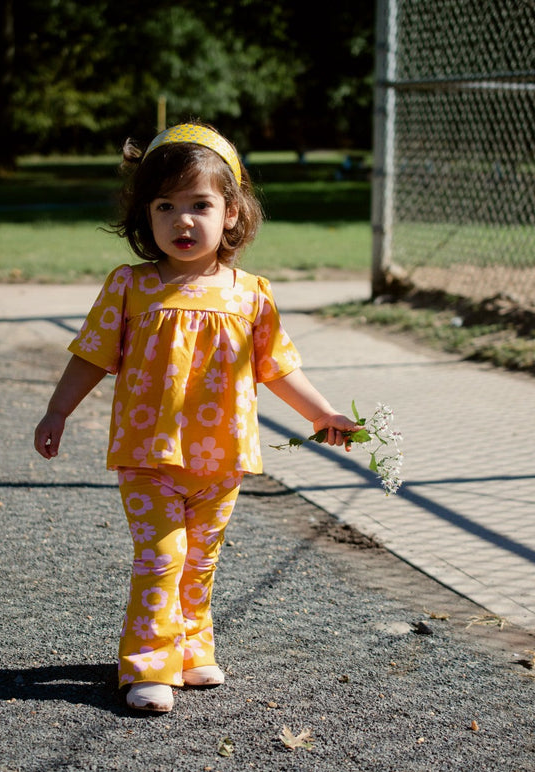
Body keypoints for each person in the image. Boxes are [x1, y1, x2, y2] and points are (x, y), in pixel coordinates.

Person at [34, 122, 362, 714]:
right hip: (148, 454)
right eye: (165, 206)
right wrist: (58, 410)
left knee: (200, 560)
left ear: (231, 213)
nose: (182, 221)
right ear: (145, 214)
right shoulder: (131, 286)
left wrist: (322, 413)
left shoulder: (251, 294)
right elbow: (92, 356)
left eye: (199, 205)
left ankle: (190, 647)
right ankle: (147, 664)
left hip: (222, 458)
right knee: (163, 556)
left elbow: (277, 368)